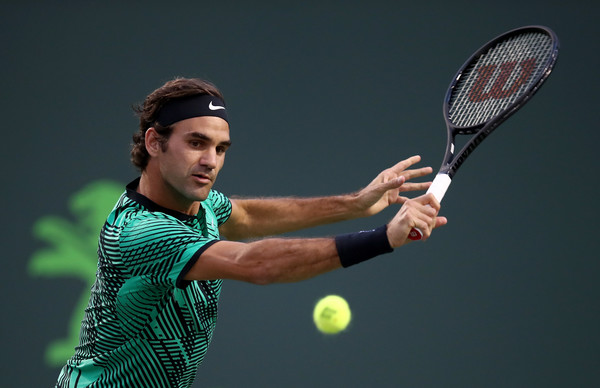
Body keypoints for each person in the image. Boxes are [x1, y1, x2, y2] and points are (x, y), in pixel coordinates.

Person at [56, 77, 447, 387]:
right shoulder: (141, 231)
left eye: (221, 149)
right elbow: (254, 262)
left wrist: (356, 202)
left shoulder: (199, 203)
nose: (210, 161)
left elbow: (244, 216)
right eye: (196, 143)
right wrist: (383, 237)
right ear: (154, 142)